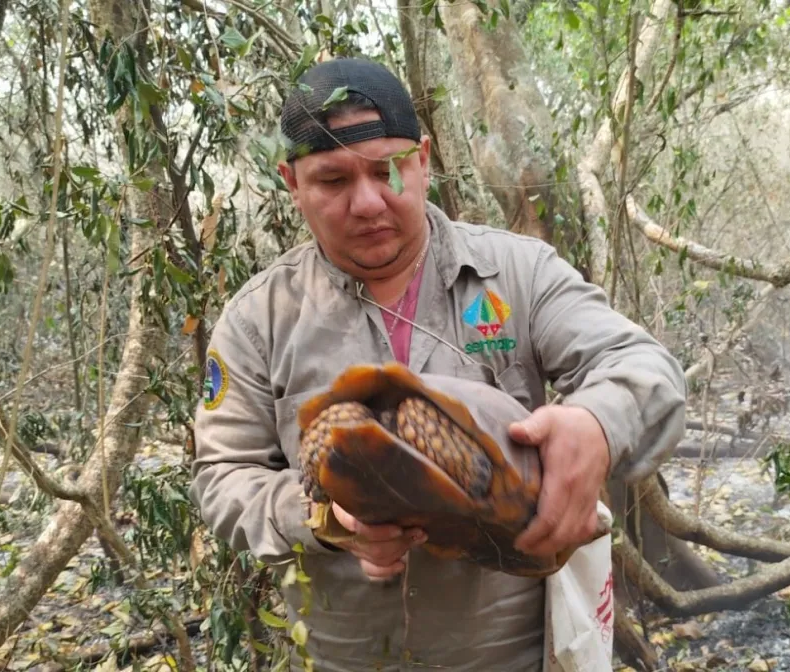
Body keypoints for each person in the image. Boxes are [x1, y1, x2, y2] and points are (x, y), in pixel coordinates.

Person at [190, 56, 687, 671]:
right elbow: (222, 475)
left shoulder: (518, 275)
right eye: (333, 181)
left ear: (423, 160)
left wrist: (598, 425)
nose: (367, 202)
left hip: (509, 654)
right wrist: (320, 517)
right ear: (291, 183)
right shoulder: (258, 320)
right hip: (342, 656)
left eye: (388, 170)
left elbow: (643, 366)